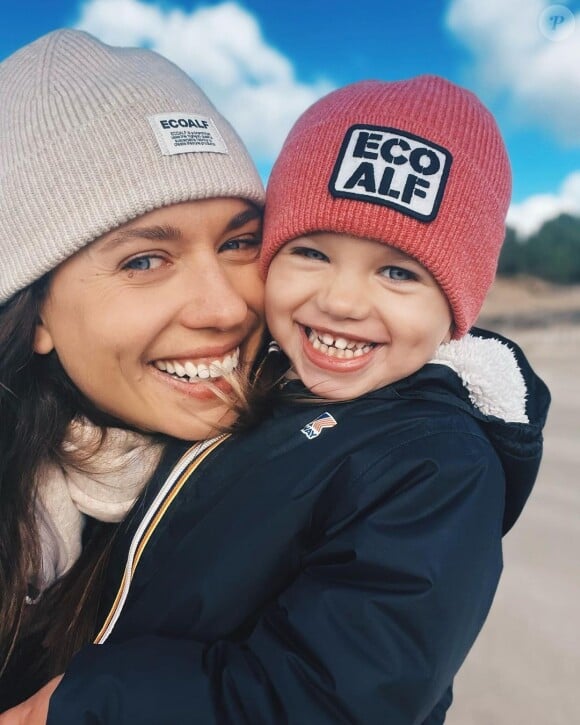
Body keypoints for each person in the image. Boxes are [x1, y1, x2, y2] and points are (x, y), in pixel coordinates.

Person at [8, 78, 549, 723]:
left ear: (457, 306)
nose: (342, 302)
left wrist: (88, 706)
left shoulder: (430, 463)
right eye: (310, 252)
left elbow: (339, 697)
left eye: (399, 271)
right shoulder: (232, 406)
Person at [0, 28, 265, 715]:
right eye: (145, 260)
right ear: (36, 317)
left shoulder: (334, 469)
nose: (226, 306)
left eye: (241, 242)